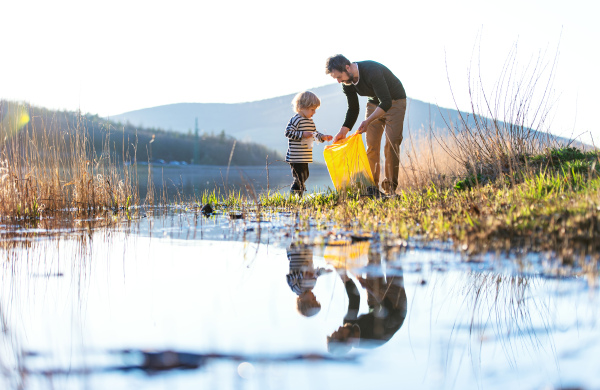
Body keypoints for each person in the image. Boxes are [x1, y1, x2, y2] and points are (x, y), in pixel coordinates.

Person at [325, 54, 407, 196]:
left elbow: (386, 101)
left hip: (395, 102)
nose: (339, 81)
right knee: (371, 146)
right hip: (374, 104)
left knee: (391, 144)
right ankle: (371, 189)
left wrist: (368, 121)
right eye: (336, 79)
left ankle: (390, 190)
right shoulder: (347, 83)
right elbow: (353, 108)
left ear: (347, 67)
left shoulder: (371, 71)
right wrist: (343, 131)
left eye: (339, 77)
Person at [327, 250, 407, 354]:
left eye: (337, 330)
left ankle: (376, 242)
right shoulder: (372, 338)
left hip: (376, 306)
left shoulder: (347, 325)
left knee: (372, 261)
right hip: (396, 308)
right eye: (340, 332)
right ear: (348, 341)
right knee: (392, 260)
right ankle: (392, 247)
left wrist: (342, 274)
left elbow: (354, 299)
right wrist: (370, 288)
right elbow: (387, 307)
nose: (340, 327)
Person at [284, 91, 333, 196]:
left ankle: (299, 196)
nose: (314, 112)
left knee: (305, 175)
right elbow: (288, 133)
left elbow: (314, 134)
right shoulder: (296, 119)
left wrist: (322, 137)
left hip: (305, 155)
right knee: (299, 177)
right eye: (312, 109)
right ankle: (294, 194)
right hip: (295, 156)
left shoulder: (310, 121)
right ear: (302, 107)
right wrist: (302, 134)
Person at [285, 241, 330, 317]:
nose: (315, 296)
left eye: (313, 299)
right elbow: (315, 275)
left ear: (303, 301)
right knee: (308, 238)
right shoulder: (311, 286)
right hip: (307, 254)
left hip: (295, 253)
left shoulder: (297, 289)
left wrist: (303, 275)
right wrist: (322, 272)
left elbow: (289, 277)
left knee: (296, 236)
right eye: (315, 299)